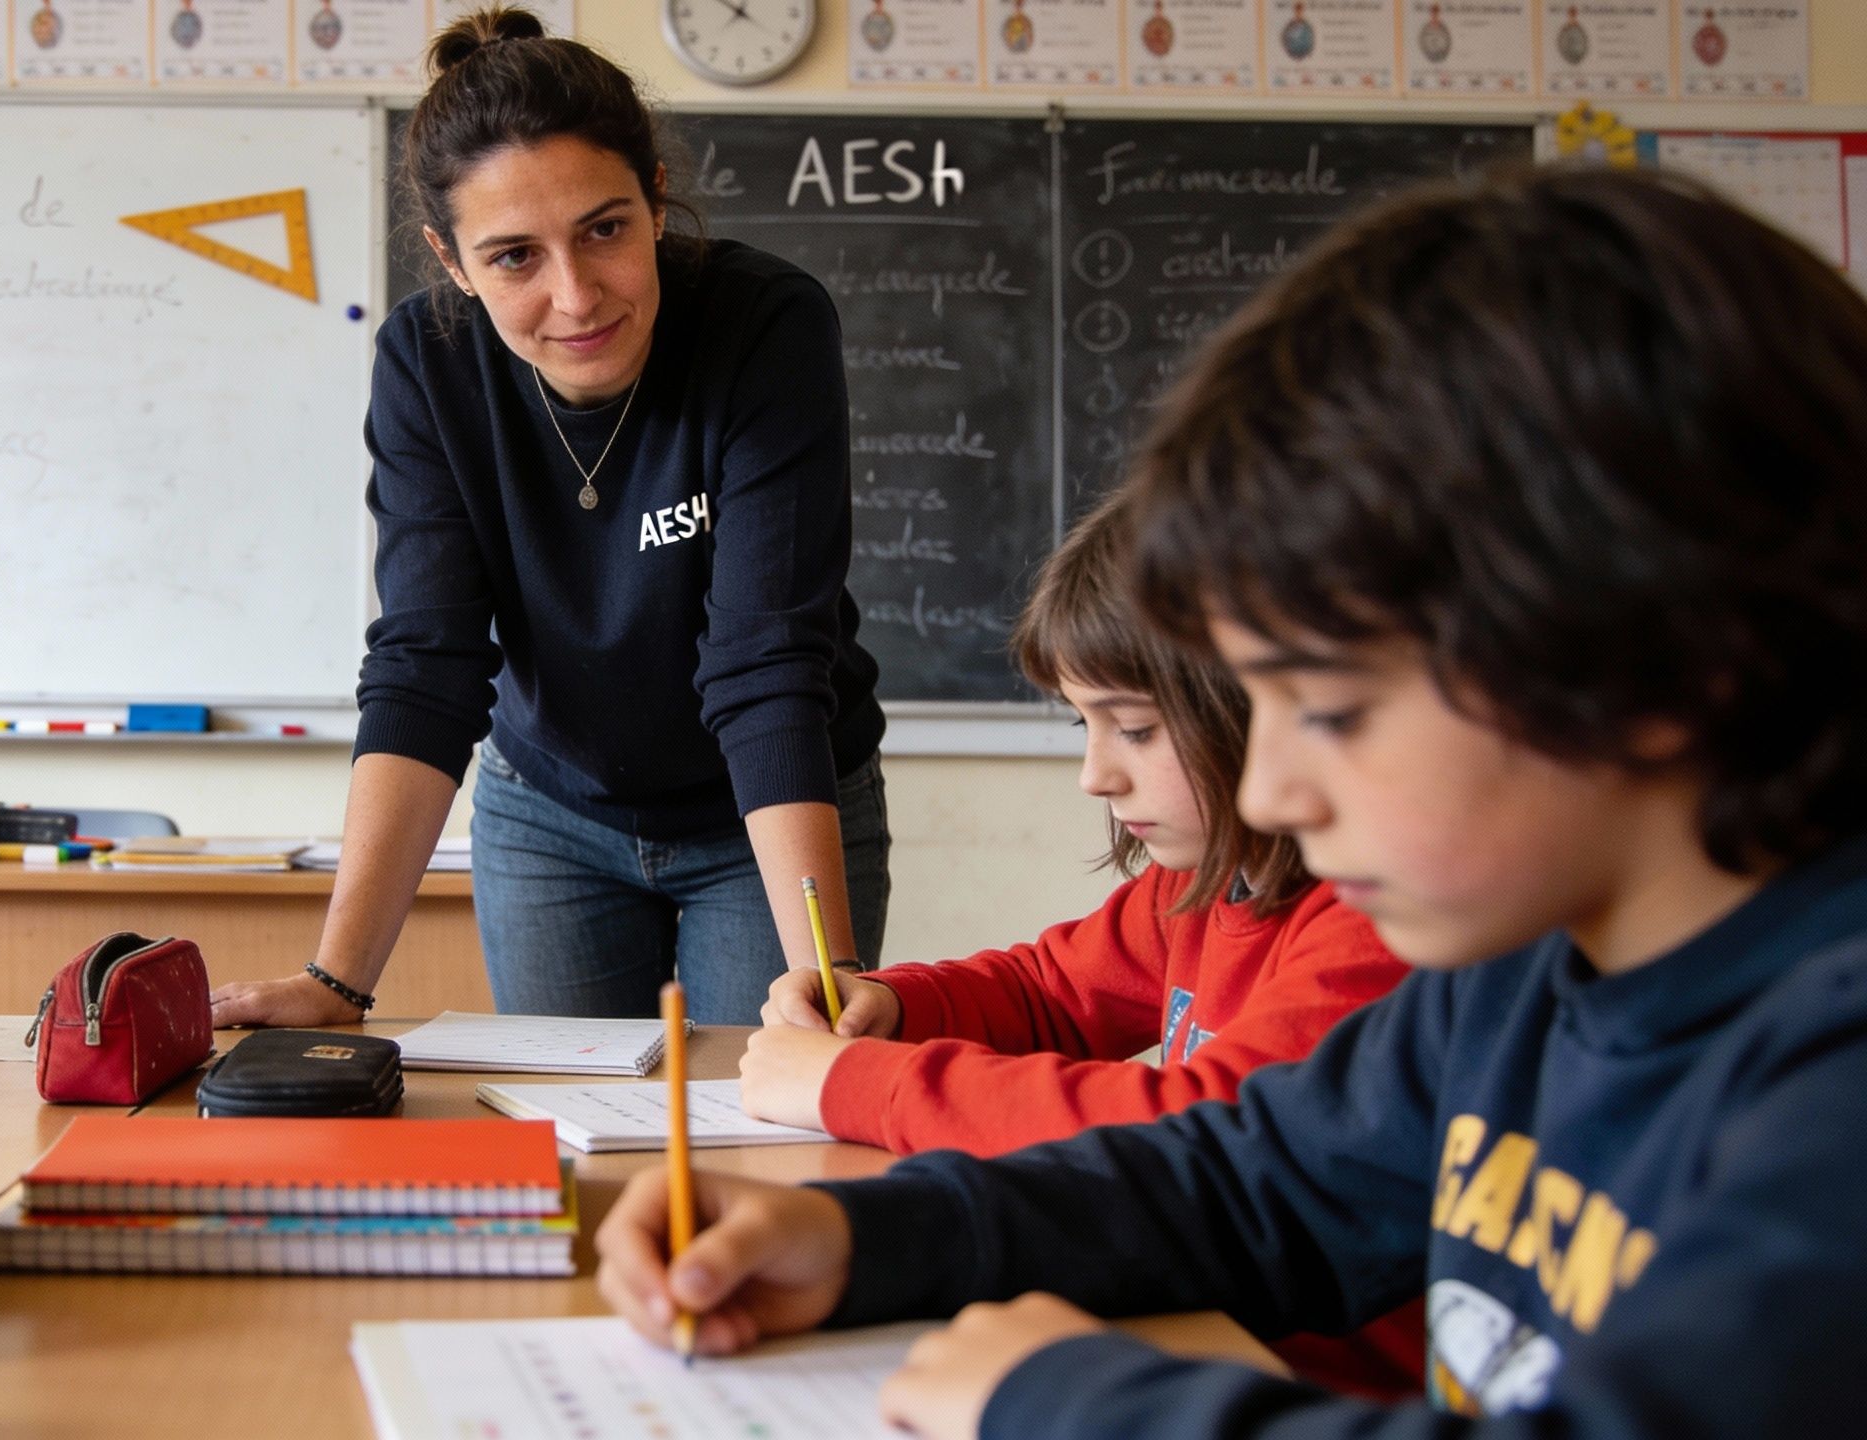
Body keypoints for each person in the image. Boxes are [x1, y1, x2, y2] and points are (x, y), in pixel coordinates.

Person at [594, 165, 1867, 1437]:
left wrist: (1066, 1398)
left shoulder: (1828, 1091)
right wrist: (857, 1235)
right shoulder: (1523, 974)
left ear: (1653, 661)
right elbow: (1255, 1184)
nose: (1269, 788)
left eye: (1332, 708)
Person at [212, 7, 888, 1029]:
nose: (575, 297)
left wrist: (825, 991)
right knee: (575, 1152)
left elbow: (766, 664)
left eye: (604, 230)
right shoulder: (426, 364)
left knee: (766, 1127)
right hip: (548, 817)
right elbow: (426, 662)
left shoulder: (765, 325)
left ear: (656, 198)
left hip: (761, 814)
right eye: (514, 257)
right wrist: (335, 984)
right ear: (451, 259)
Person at [737, 498, 1415, 1396]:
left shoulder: (1380, 924)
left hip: (1301, 1381)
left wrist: (851, 1082)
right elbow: (1049, 992)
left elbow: (1198, 1132)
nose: (1097, 773)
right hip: (1196, 1331)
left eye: (1133, 728)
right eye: (1082, 725)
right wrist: (893, 1005)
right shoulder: (1198, 881)